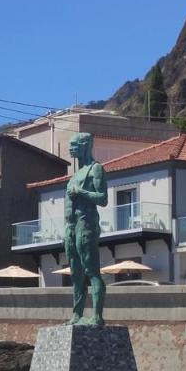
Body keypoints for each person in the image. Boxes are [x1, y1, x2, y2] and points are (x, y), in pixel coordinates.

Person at [63, 132, 108, 327]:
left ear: (84, 145)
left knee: (91, 271)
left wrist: (81, 192)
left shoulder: (95, 169)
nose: (70, 148)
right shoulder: (74, 175)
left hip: (86, 224)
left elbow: (103, 198)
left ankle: (97, 317)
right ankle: (77, 314)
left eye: (73, 145)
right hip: (70, 227)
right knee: (76, 274)